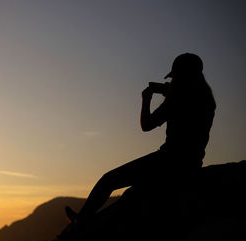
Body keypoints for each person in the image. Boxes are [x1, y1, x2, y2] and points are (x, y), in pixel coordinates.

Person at [65, 53, 216, 225]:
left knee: (108, 180)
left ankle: (81, 221)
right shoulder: (206, 98)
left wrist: (146, 99)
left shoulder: (177, 99)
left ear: (181, 76)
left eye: (175, 78)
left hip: (169, 161)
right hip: (192, 163)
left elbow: (147, 125)